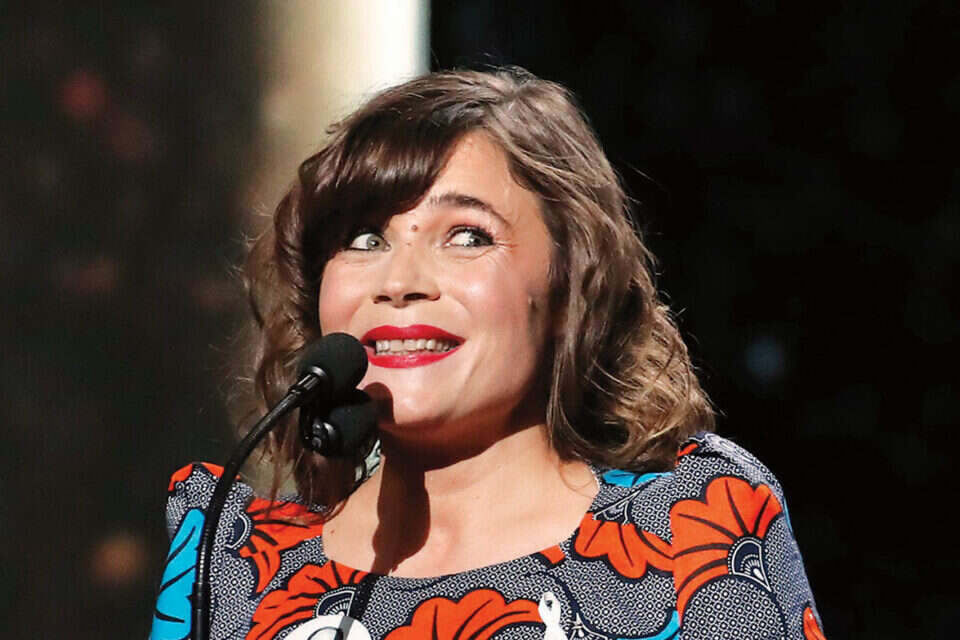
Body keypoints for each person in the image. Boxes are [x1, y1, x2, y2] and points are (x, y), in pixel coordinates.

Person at [150, 68, 826, 640]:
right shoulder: (231, 562)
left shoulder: (690, 526)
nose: (400, 281)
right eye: (364, 238)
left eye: (468, 236)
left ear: (569, 285)